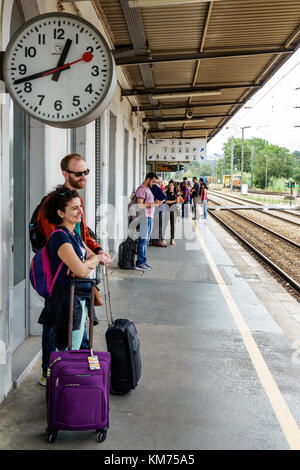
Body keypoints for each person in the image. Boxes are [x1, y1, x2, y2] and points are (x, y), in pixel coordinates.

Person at [36, 153, 111, 386]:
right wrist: (87, 261)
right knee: (56, 327)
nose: (83, 176)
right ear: (65, 174)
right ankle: (51, 373)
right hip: (60, 281)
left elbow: (82, 234)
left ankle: (78, 374)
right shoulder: (53, 205)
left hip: (76, 283)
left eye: (85, 172)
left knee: (76, 327)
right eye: (78, 173)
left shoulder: (75, 201)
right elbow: (61, 244)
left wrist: (96, 251)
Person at [38, 186, 102, 353]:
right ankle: (61, 379)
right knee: (68, 352)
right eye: (74, 208)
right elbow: (81, 271)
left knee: (75, 349)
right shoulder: (60, 236)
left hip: (77, 299)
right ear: (60, 213)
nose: (80, 211)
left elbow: (90, 259)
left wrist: (90, 261)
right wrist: (89, 263)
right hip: (66, 304)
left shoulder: (73, 234)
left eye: (80, 206)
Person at [135, 172, 162, 270]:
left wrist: (155, 203)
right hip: (144, 217)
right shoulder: (141, 190)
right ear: (148, 179)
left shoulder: (148, 189)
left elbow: (149, 203)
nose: (153, 184)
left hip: (149, 217)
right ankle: (139, 262)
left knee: (146, 240)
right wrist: (153, 204)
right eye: (153, 181)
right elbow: (140, 205)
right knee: (143, 240)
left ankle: (143, 261)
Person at [150, 181, 168, 247]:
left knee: (154, 224)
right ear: (159, 182)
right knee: (160, 225)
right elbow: (165, 198)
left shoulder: (150, 188)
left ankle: (152, 240)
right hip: (159, 208)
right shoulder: (157, 188)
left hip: (153, 209)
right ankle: (158, 240)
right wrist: (161, 201)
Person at [165, 181, 179, 245]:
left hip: (174, 210)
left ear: (174, 186)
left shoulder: (176, 193)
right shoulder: (166, 193)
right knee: (165, 224)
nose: (171, 186)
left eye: (172, 185)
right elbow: (166, 202)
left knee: (173, 225)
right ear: (168, 186)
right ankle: (163, 239)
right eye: (170, 185)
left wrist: (178, 197)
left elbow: (177, 202)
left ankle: (172, 239)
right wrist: (174, 200)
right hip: (167, 210)